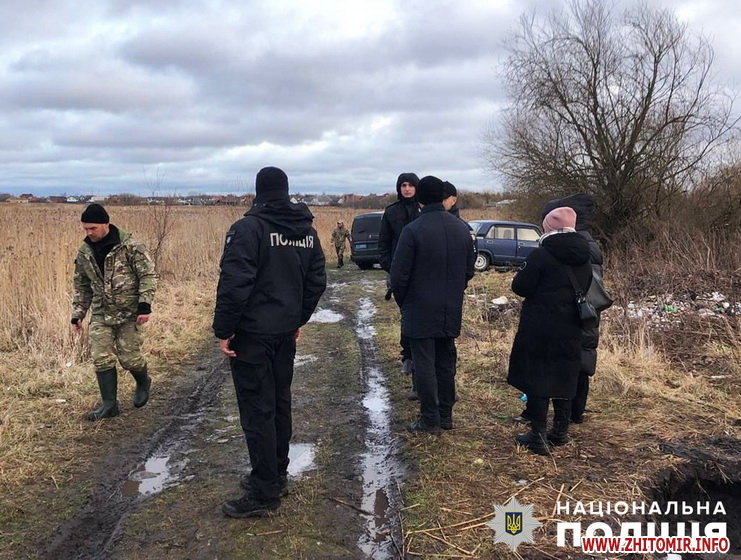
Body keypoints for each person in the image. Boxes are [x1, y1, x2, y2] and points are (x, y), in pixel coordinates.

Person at [213, 166, 326, 518]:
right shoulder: (307, 232)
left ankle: (265, 492)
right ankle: (275, 475)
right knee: (278, 403)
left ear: (258, 191)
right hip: (282, 334)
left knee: (257, 410)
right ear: (286, 191)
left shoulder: (248, 229)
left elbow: (235, 283)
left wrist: (224, 329)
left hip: (253, 336)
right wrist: (296, 319)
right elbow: (316, 281)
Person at [390, 176, 476, 434]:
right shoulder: (461, 229)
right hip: (450, 306)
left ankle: (430, 419)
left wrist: (405, 302)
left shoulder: (413, 230)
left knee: (424, 364)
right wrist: (454, 291)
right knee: (446, 361)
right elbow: (469, 270)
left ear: (419, 198)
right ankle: (445, 415)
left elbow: (398, 276)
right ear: (442, 197)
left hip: (419, 307)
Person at [507, 207, 591, 455]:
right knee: (565, 375)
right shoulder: (584, 256)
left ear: (549, 228)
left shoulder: (541, 255)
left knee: (538, 378)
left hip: (540, 325)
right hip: (572, 325)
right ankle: (560, 432)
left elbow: (520, 287)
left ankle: (538, 436)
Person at [71, 203, 157, 421]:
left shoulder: (130, 246)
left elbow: (147, 276)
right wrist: (78, 314)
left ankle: (143, 382)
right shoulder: (85, 252)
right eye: (85, 229)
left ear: (106, 224)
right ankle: (110, 405)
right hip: (101, 312)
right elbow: (82, 285)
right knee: (101, 357)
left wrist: (145, 305)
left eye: (93, 228)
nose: (89, 233)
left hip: (130, 311)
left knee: (129, 358)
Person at [541, 194, 604, 424]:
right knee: (581, 358)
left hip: (579, 312)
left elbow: (587, 285)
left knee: (578, 360)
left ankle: (572, 413)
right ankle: (575, 412)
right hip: (586, 312)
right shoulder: (588, 244)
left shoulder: (577, 246)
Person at [379, 173, 421, 394]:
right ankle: (407, 356)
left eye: (411, 185)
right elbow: (383, 243)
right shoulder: (391, 212)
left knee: (417, 319)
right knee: (407, 315)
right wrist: (390, 267)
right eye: (403, 185)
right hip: (399, 273)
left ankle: (414, 365)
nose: (407, 189)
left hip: (422, 273)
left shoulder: (423, 210)